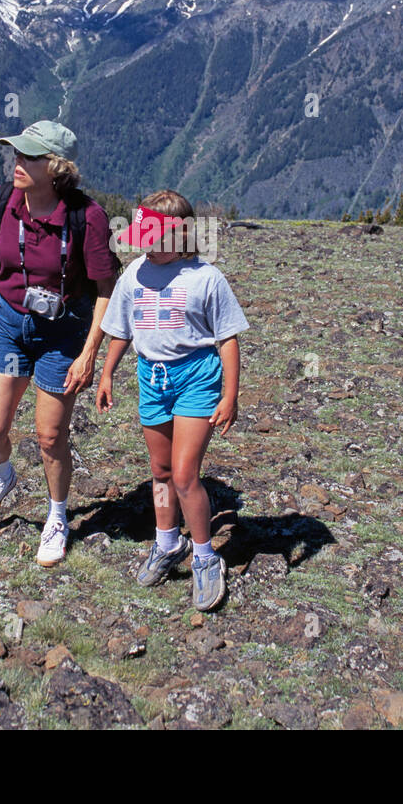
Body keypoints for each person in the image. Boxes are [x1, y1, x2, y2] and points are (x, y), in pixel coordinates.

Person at [0, 120, 118, 567]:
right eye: (17, 153)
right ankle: (2, 475)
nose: (17, 162)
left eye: (29, 156)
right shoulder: (2, 202)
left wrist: (90, 351)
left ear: (55, 167)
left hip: (63, 331)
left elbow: (107, 286)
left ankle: (58, 517)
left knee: (50, 436)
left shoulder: (85, 217)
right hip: (7, 323)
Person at [95, 191, 249, 611]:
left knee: (184, 475)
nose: (146, 244)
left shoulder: (206, 278)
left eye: (156, 236)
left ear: (181, 235)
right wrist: (107, 373)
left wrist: (230, 395)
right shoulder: (133, 275)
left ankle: (204, 556)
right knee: (160, 472)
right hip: (152, 379)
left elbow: (228, 339)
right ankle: (167, 543)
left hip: (196, 378)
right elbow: (122, 331)